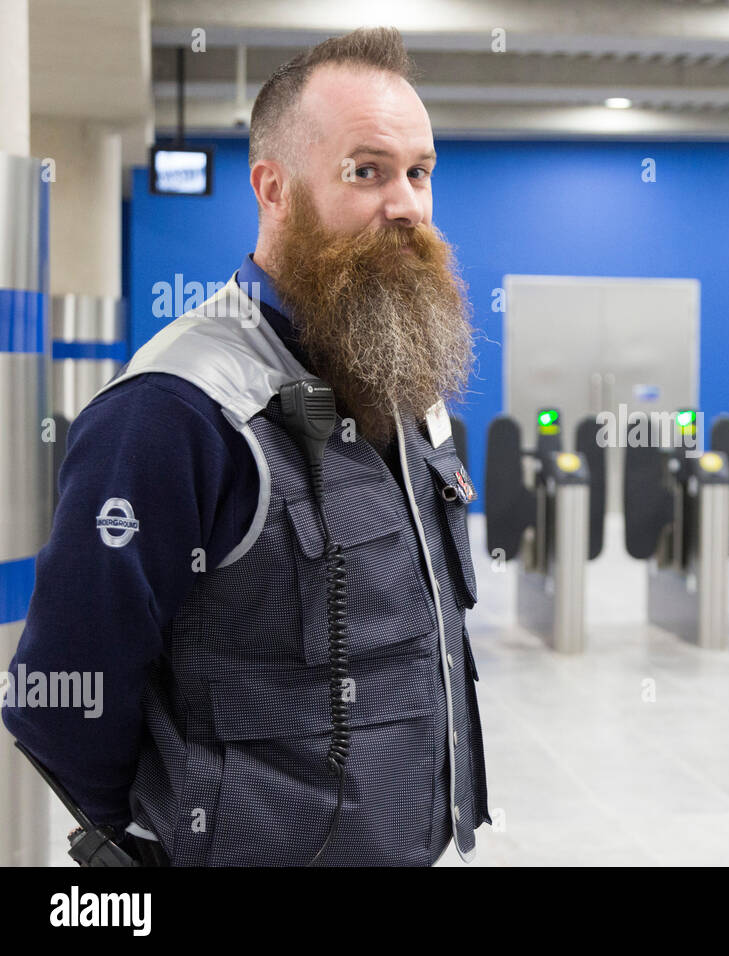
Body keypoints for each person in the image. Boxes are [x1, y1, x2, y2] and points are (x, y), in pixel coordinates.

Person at [2, 27, 490, 864]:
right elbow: (62, 694)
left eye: (419, 172)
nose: (405, 203)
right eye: (366, 170)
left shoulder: (396, 378)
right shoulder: (178, 410)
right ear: (275, 188)